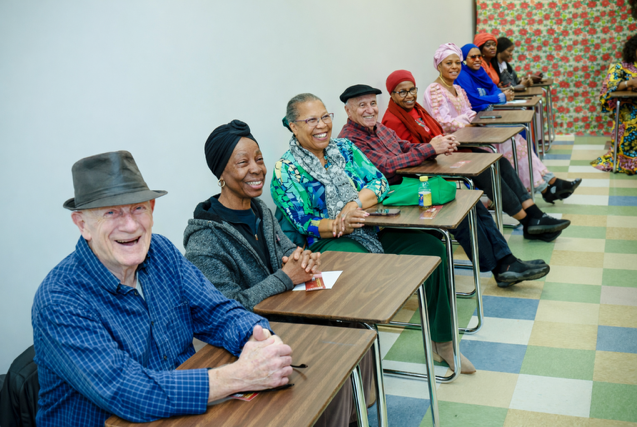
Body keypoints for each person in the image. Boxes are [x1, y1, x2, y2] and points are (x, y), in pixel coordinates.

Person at [32, 151, 293, 427]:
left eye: (138, 208)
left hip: (184, 412)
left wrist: (260, 342)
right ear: (82, 224)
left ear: (152, 209)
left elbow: (218, 311)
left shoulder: (161, 252)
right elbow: (129, 392)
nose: (131, 226)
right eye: (111, 213)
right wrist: (241, 375)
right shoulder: (59, 300)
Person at [271, 93, 477, 374]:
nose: (321, 125)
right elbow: (302, 222)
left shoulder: (344, 148)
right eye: (311, 120)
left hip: (370, 227)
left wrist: (353, 205)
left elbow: (378, 181)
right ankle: (358, 367)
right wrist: (340, 223)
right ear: (294, 126)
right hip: (327, 243)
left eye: (324, 117)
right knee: (364, 268)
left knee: (434, 250)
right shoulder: (286, 169)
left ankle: (443, 342)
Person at [183, 120, 366, 427]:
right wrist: (286, 277)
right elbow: (225, 309)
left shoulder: (259, 211)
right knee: (335, 352)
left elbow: (289, 253)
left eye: (259, 159)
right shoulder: (204, 240)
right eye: (243, 163)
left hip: (285, 316)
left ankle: (353, 413)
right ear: (221, 174)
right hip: (247, 341)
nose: (257, 169)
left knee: (356, 330)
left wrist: (303, 260)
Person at [337, 84, 550, 286]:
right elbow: (385, 167)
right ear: (348, 110)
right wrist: (430, 149)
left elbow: (405, 147)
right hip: (384, 199)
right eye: (362, 105)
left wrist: (436, 146)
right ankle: (501, 266)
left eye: (373, 103)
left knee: (470, 200)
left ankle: (506, 261)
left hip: (406, 186)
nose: (370, 110)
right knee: (459, 209)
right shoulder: (349, 139)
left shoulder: (379, 128)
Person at [382, 64, 570, 242]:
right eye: (402, 91)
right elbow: (408, 154)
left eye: (412, 89)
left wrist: (445, 142)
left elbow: (437, 131)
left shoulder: (417, 109)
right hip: (429, 167)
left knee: (498, 161)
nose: (409, 95)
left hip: (442, 154)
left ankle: (533, 212)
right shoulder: (393, 120)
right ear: (392, 94)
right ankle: (528, 221)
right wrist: (437, 147)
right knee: (485, 170)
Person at [455, 43, 582, 202]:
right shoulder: (462, 75)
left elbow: (493, 89)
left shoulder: (480, 71)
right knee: (513, 143)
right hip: (476, 125)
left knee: (519, 141)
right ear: (464, 60)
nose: (477, 59)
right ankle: (548, 186)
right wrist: (499, 98)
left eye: (479, 56)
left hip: (487, 116)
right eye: (472, 57)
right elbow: (474, 100)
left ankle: (549, 184)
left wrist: (497, 96)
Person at [591, 34, 637, 174]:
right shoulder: (620, 67)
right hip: (630, 107)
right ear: (633, 50)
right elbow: (609, 87)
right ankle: (629, 161)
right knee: (632, 119)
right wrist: (629, 83)